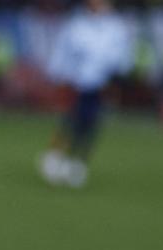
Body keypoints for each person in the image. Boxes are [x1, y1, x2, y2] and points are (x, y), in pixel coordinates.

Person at [38, 0, 134, 188]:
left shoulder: (117, 28)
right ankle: (56, 156)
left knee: (90, 125)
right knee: (71, 121)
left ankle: (77, 163)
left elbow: (122, 58)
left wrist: (116, 75)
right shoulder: (76, 25)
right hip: (76, 82)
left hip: (101, 84)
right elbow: (62, 53)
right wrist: (58, 76)